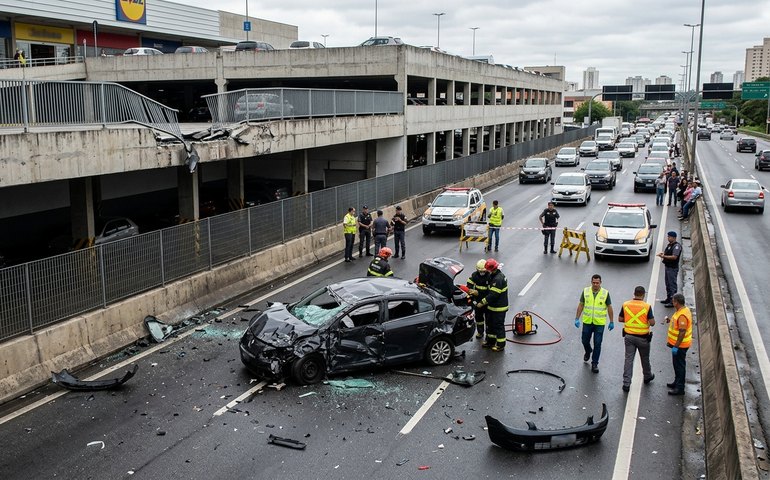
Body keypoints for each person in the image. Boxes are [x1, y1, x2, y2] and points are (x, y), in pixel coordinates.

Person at [574, 274, 614, 373]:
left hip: (599, 323)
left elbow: (609, 307)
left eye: (597, 283)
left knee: (598, 343)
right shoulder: (586, 291)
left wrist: (611, 321)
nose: (595, 284)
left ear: (600, 283)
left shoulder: (605, 293)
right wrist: (577, 318)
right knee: (584, 341)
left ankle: (594, 363)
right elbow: (581, 305)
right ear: (591, 282)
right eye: (594, 282)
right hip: (587, 322)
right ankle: (588, 351)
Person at [618, 285, 656, 392]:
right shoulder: (647, 307)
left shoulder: (626, 304)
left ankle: (626, 383)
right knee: (645, 358)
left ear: (634, 293)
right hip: (643, 338)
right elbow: (652, 323)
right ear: (643, 295)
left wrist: (631, 319)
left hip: (629, 337)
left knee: (628, 360)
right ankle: (647, 376)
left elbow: (620, 319)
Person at [477, 258, 508, 352]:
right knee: (490, 325)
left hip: (499, 308)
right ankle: (490, 341)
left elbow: (493, 295)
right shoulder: (494, 275)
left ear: (491, 269)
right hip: (492, 307)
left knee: (498, 326)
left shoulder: (498, 279)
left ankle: (500, 345)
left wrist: (482, 302)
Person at [665, 293, 692, 396]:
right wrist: (669, 321)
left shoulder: (682, 315)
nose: (672, 302)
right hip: (678, 345)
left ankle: (680, 388)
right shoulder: (682, 311)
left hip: (680, 346)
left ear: (676, 302)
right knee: (676, 365)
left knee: (680, 366)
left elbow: (682, 331)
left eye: (673, 301)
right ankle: (676, 382)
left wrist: (676, 346)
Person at [656, 231, 682, 307]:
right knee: (668, 284)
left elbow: (674, 257)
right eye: (668, 236)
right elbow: (668, 253)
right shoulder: (669, 245)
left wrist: (664, 256)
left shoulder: (676, 246)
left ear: (674, 238)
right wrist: (663, 254)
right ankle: (668, 298)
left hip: (672, 268)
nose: (668, 238)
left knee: (672, 285)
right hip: (668, 267)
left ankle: (673, 301)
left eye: (669, 237)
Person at [466, 259, 489, 339]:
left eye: (484, 271)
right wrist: (471, 291)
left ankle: (489, 335)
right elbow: (469, 284)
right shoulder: (474, 275)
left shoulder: (489, 276)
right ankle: (480, 332)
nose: (482, 273)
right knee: (478, 318)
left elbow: (491, 292)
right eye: (480, 271)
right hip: (478, 301)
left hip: (487, 301)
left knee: (489, 319)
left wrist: (478, 293)